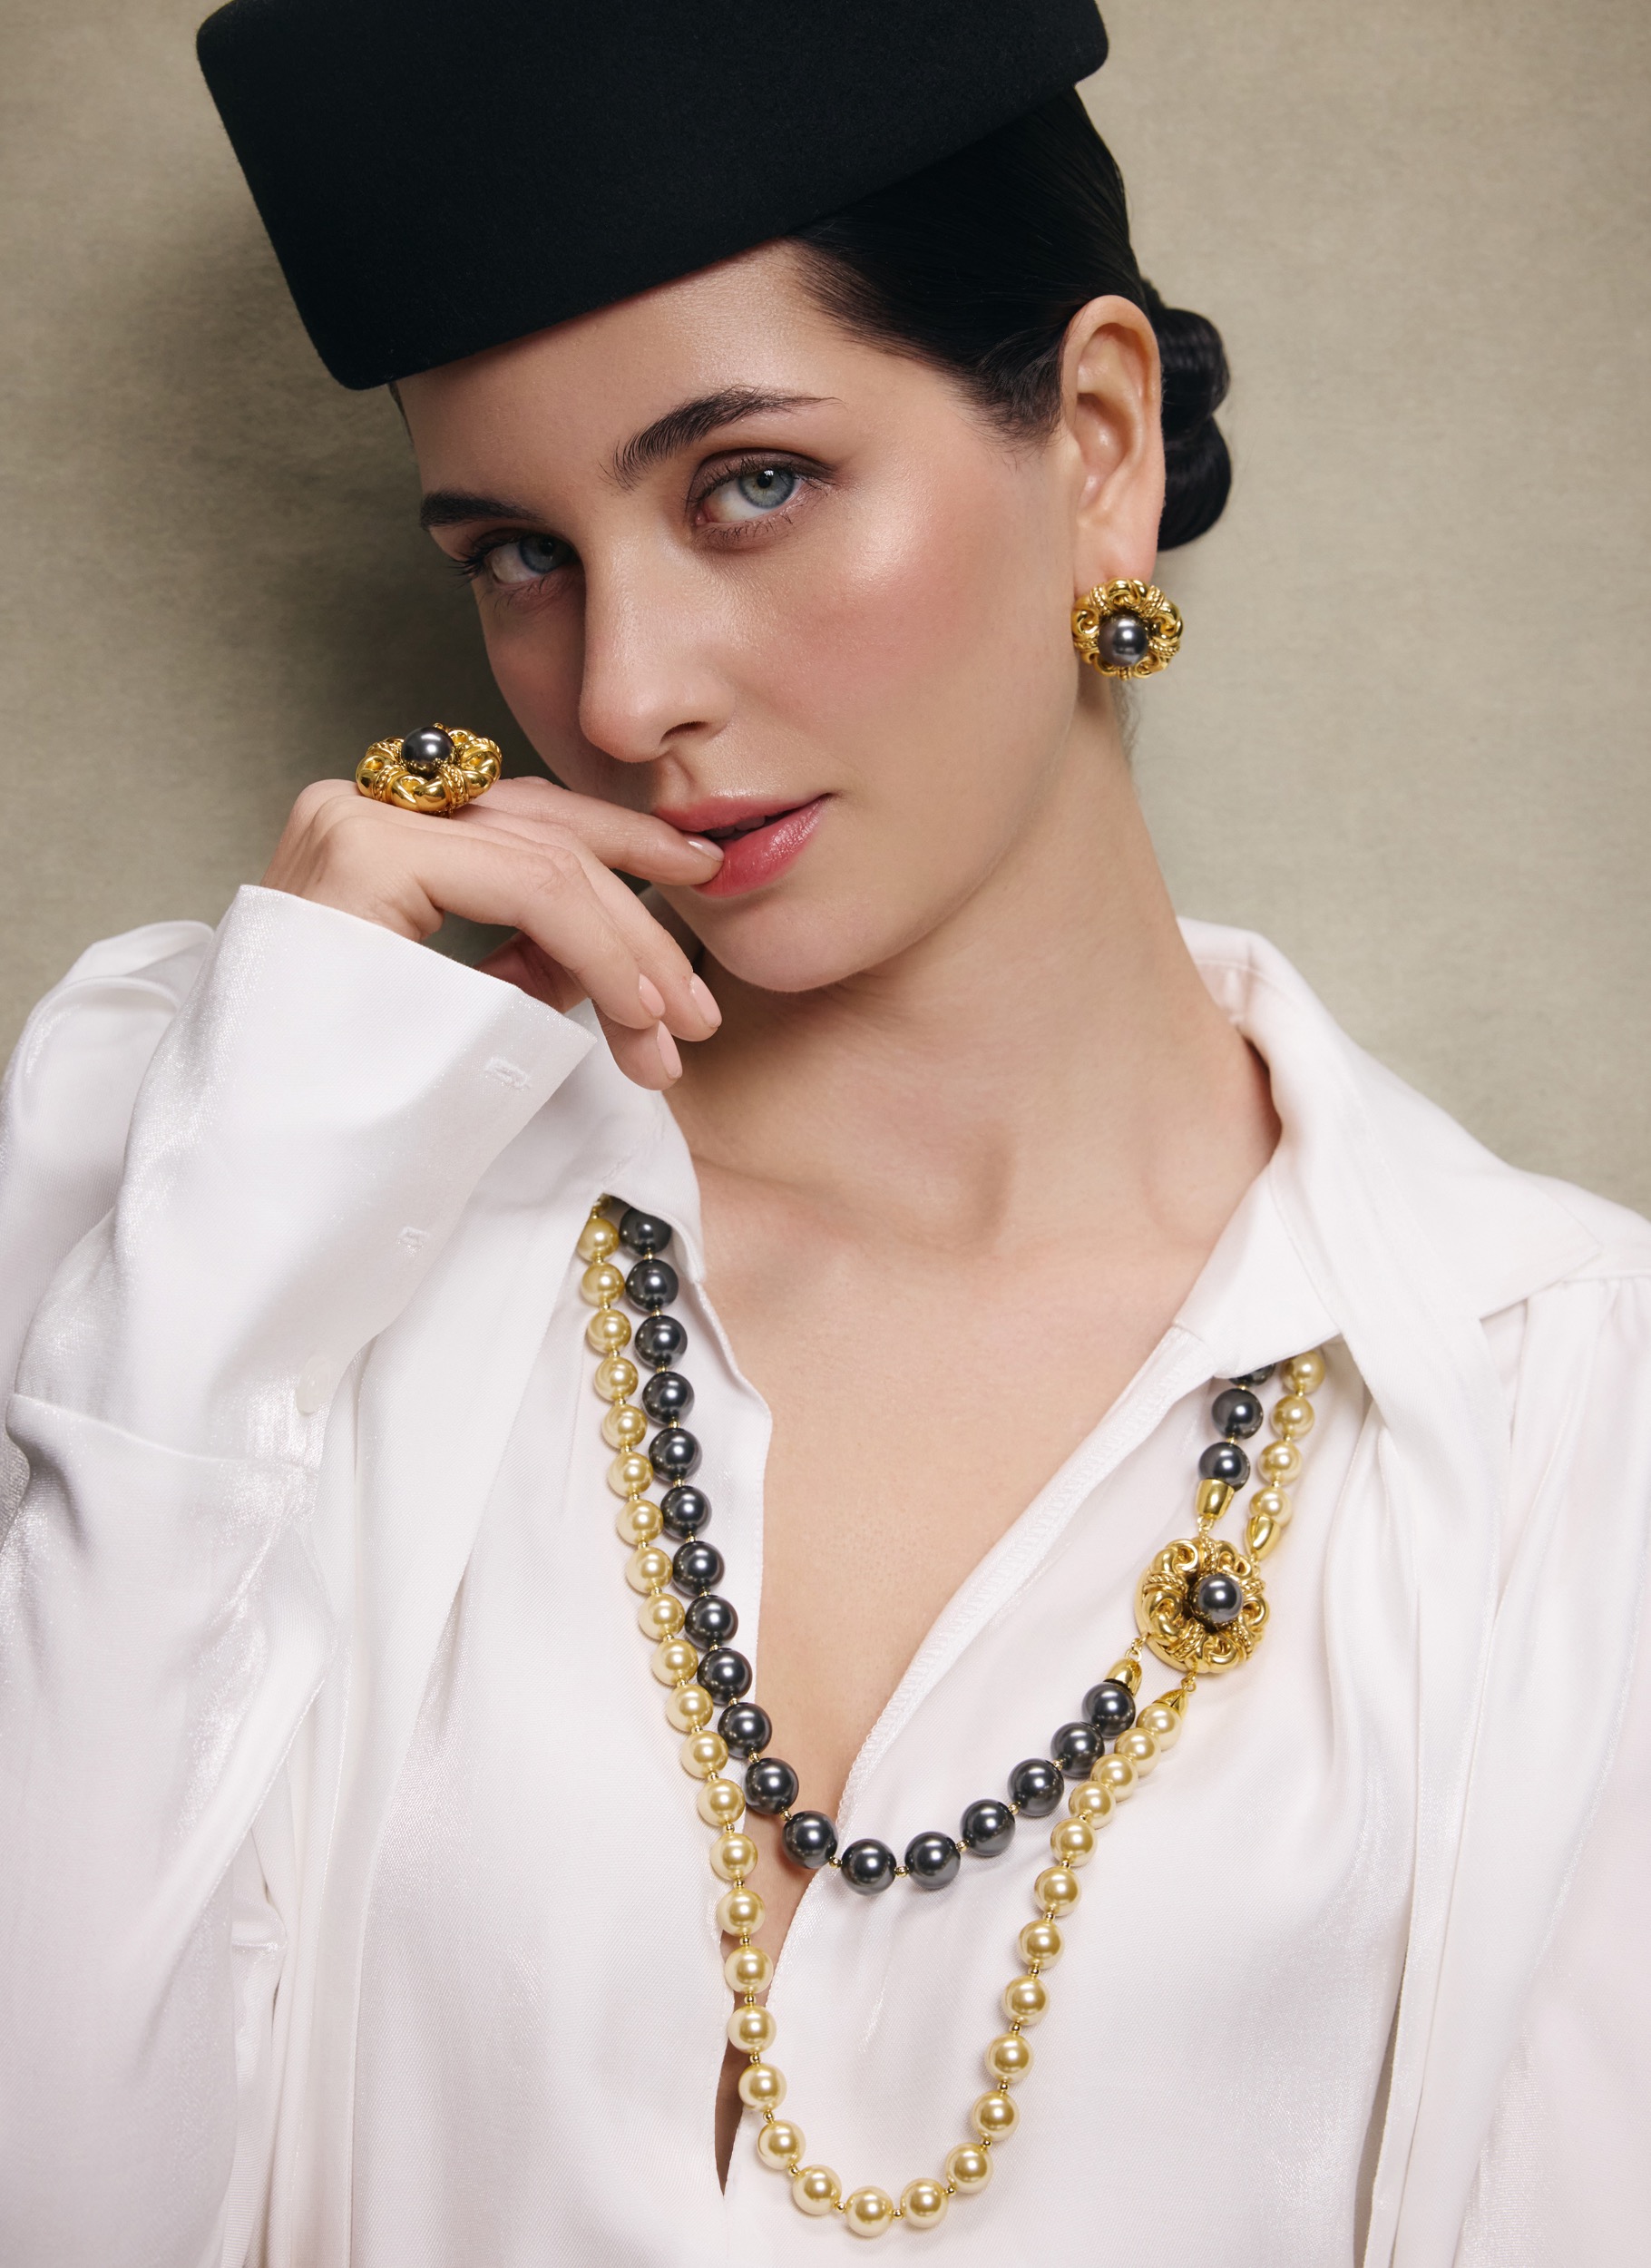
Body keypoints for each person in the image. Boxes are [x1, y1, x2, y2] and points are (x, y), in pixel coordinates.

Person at [1, 2, 1646, 2262]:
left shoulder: (1563, 1408)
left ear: (1093, 444)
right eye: (516, 552)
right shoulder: (225, 1203)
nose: (620, 689)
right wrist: (227, 1251)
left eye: (748, 484)